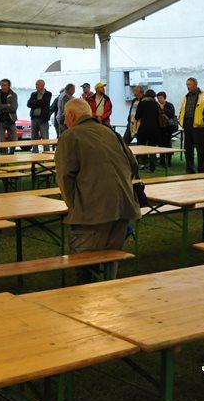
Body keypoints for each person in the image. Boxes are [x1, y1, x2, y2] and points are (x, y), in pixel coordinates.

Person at [54, 98, 140, 284]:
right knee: (111, 258)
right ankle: (109, 292)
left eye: (65, 117)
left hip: (93, 212)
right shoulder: (110, 132)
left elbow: (65, 177)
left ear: (71, 116)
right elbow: (133, 165)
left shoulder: (70, 136)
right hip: (124, 207)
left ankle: (88, 298)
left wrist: (74, 206)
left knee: (85, 264)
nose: (65, 121)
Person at [178, 77, 204, 174]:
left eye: (189, 84)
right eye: (187, 85)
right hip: (187, 123)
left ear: (195, 85)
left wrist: (203, 122)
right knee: (188, 148)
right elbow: (182, 109)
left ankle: (201, 169)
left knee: (201, 149)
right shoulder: (186, 96)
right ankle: (190, 168)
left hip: (198, 125)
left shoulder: (203, 96)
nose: (188, 86)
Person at [134, 89, 162, 172]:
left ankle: (140, 164)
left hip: (144, 128)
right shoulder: (156, 104)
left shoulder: (142, 103)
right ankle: (152, 167)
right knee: (152, 148)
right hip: (154, 129)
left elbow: (137, 117)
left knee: (141, 147)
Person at [26, 80, 53, 151]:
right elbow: (28, 104)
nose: (36, 86)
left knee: (45, 137)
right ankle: (35, 152)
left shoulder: (48, 94)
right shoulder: (33, 94)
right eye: (36, 84)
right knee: (33, 137)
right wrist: (38, 102)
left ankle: (47, 153)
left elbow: (45, 103)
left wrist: (34, 103)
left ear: (43, 85)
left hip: (43, 119)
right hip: (34, 118)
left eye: (37, 84)